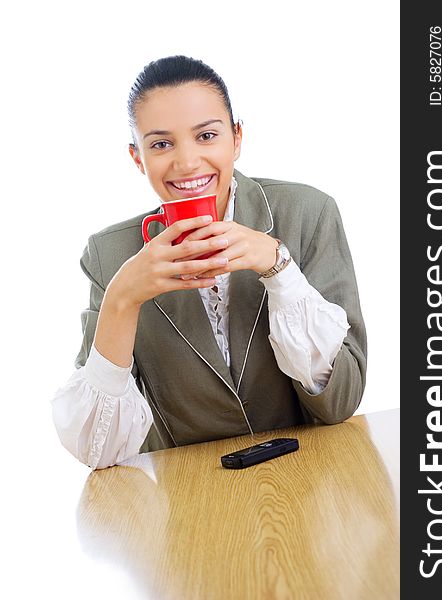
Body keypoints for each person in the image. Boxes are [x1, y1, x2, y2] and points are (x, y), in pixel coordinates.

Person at [51, 55, 367, 470]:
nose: (186, 163)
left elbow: (341, 398)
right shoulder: (108, 255)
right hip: (190, 500)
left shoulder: (309, 213)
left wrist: (278, 267)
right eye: (161, 144)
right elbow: (100, 453)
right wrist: (123, 297)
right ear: (137, 157)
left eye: (206, 136)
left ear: (236, 138)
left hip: (316, 478)